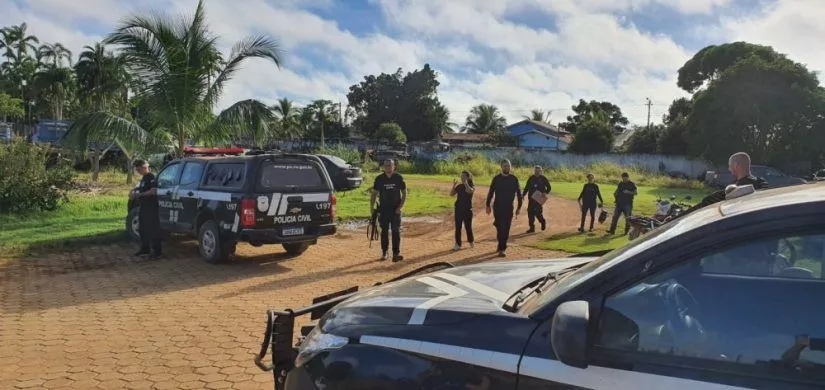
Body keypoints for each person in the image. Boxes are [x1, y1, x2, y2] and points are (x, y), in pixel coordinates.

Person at [674, 152, 768, 220]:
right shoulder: (761, 184)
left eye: (729, 165)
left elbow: (706, 202)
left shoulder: (735, 190)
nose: (729, 168)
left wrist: (677, 218)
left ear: (735, 165)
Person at [370, 159, 407, 262]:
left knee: (396, 231)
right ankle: (384, 252)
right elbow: (373, 194)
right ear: (383, 167)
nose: (388, 167)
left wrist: (400, 207)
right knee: (384, 232)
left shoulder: (399, 178)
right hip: (384, 210)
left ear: (394, 166)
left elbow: (404, 193)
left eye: (390, 165)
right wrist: (371, 208)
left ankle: (396, 253)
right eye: (386, 166)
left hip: (396, 210)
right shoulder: (379, 179)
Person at [486, 159, 522, 257]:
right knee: (501, 228)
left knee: (505, 229)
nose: (507, 167)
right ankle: (502, 248)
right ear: (501, 167)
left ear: (510, 167)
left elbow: (519, 193)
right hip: (497, 207)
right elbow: (490, 192)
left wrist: (519, 207)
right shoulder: (496, 179)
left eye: (508, 166)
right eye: (505, 166)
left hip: (508, 208)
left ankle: (501, 246)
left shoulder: (514, 179)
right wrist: (488, 205)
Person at [130, 159, 162, 259]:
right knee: (143, 228)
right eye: (136, 169)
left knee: (153, 229)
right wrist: (133, 191)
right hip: (143, 207)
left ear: (144, 167)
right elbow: (141, 189)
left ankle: (157, 252)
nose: (138, 171)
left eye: (139, 169)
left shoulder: (151, 177)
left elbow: (153, 191)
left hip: (151, 208)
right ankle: (145, 248)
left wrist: (139, 195)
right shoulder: (143, 178)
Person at [450, 171, 475, 251]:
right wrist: (454, 185)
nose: (462, 177)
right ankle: (458, 244)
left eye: (464, 176)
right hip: (458, 209)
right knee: (458, 227)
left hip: (467, 209)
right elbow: (451, 194)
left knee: (468, 227)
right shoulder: (459, 186)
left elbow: (469, 191)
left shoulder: (471, 186)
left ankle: (471, 241)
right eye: (461, 176)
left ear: (468, 177)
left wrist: (466, 183)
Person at [522, 165, 551, 233]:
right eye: (536, 170)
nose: (537, 172)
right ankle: (532, 227)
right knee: (530, 212)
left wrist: (545, 193)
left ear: (541, 171)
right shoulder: (531, 178)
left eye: (538, 170)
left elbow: (549, 187)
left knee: (538, 213)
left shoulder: (543, 178)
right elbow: (526, 187)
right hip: (531, 198)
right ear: (534, 171)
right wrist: (523, 194)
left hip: (539, 198)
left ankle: (542, 221)